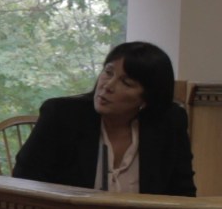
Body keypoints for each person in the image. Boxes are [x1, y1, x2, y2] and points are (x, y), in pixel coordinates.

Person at [12, 41, 196, 197]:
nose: (108, 86)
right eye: (108, 72)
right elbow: (25, 180)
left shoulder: (169, 123)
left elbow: (183, 194)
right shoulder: (61, 115)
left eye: (126, 83)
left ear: (147, 98)